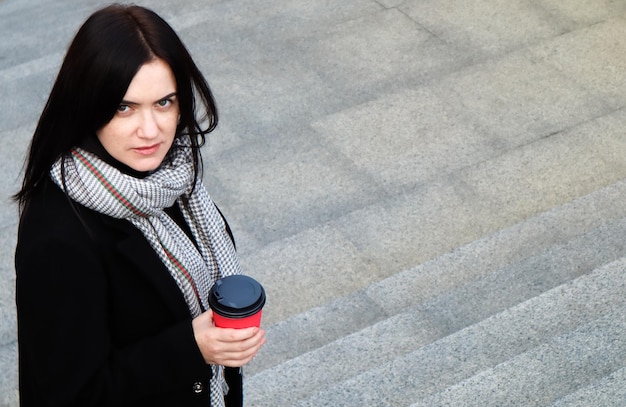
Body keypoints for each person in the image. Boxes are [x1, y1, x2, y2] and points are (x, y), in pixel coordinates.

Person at [13, 4, 265, 406]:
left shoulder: (174, 177)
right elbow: (66, 395)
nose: (151, 131)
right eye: (123, 107)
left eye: (164, 103)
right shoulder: (58, 234)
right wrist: (190, 348)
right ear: (87, 104)